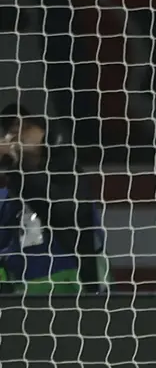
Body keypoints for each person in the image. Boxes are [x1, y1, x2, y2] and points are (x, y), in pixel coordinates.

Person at [0, 104, 110, 294]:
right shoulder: (11, 197)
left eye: (24, 128)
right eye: (10, 130)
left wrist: (20, 172)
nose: (15, 136)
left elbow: (59, 209)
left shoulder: (69, 179)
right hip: (25, 297)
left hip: (75, 291)